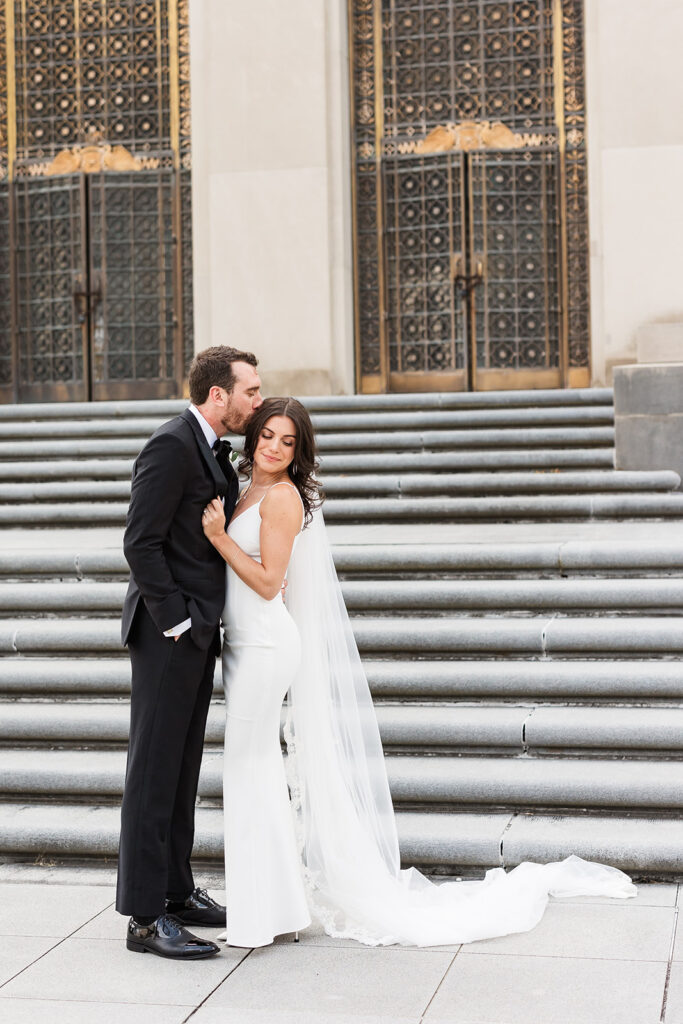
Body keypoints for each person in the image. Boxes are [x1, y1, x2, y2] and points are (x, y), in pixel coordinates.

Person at [201, 397, 637, 950]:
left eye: (288, 442)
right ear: (254, 435)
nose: (274, 449)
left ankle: (264, 912)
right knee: (254, 767)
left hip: (265, 644)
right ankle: (273, 905)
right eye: (268, 437)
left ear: (299, 450)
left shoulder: (283, 498)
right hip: (245, 643)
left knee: (249, 766)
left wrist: (218, 538)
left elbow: (267, 583)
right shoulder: (250, 488)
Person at [116, 345, 263, 960]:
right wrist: (176, 620)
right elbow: (140, 542)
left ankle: (176, 892)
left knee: (179, 772)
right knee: (153, 771)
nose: (257, 400)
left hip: (199, 634)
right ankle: (146, 920)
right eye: (250, 391)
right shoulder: (171, 445)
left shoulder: (210, 446)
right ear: (218, 395)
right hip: (169, 633)